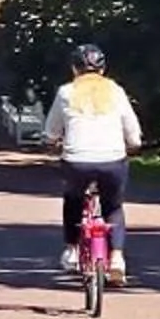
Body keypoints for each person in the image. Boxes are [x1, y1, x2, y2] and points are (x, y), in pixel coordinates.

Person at [46, 42, 142, 284]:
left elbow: (51, 131)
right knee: (113, 207)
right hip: (112, 160)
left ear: (74, 69)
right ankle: (118, 258)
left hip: (77, 161)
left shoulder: (66, 92)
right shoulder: (116, 91)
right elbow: (133, 131)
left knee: (73, 199)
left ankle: (71, 250)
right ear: (103, 69)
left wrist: (51, 142)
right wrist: (132, 145)